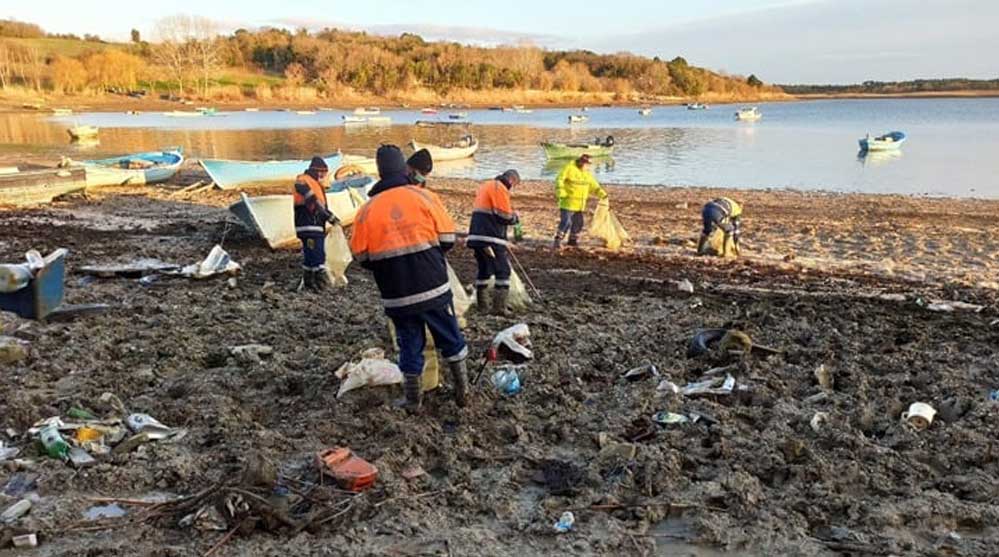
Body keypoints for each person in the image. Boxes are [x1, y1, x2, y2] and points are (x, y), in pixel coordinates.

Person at [350, 145, 469, 412]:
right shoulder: (424, 197)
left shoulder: (367, 211)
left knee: (409, 343)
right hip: (433, 288)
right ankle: (463, 391)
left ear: (380, 172)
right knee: (450, 338)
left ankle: (413, 400)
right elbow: (448, 239)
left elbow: (362, 257)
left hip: (397, 295)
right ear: (404, 168)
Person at [467, 169, 521, 315]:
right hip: (490, 237)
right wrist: (515, 218)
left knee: (484, 269)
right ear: (511, 180)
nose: (512, 187)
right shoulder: (500, 188)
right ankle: (499, 307)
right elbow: (503, 216)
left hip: (476, 236)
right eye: (514, 184)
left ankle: (483, 305)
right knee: (503, 270)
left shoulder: (487, 185)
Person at [293, 156, 338, 291]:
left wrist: (329, 216)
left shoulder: (312, 182)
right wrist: (328, 216)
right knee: (316, 254)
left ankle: (310, 281)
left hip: (312, 226)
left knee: (313, 253)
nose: (324, 176)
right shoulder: (303, 181)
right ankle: (317, 281)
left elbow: (317, 204)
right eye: (323, 173)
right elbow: (313, 201)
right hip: (309, 225)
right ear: (317, 171)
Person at [554, 154, 607, 249]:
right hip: (568, 203)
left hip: (580, 205)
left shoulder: (587, 174)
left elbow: (594, 186)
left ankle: (572, 240)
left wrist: (602, 194)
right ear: (581, 162)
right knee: (566, 222)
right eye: (587, 164)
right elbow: (559, 179)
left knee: (579, 223)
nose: (589, 166)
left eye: (589, 165)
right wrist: (561, 191)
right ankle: (558, 240)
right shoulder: (569, 168)